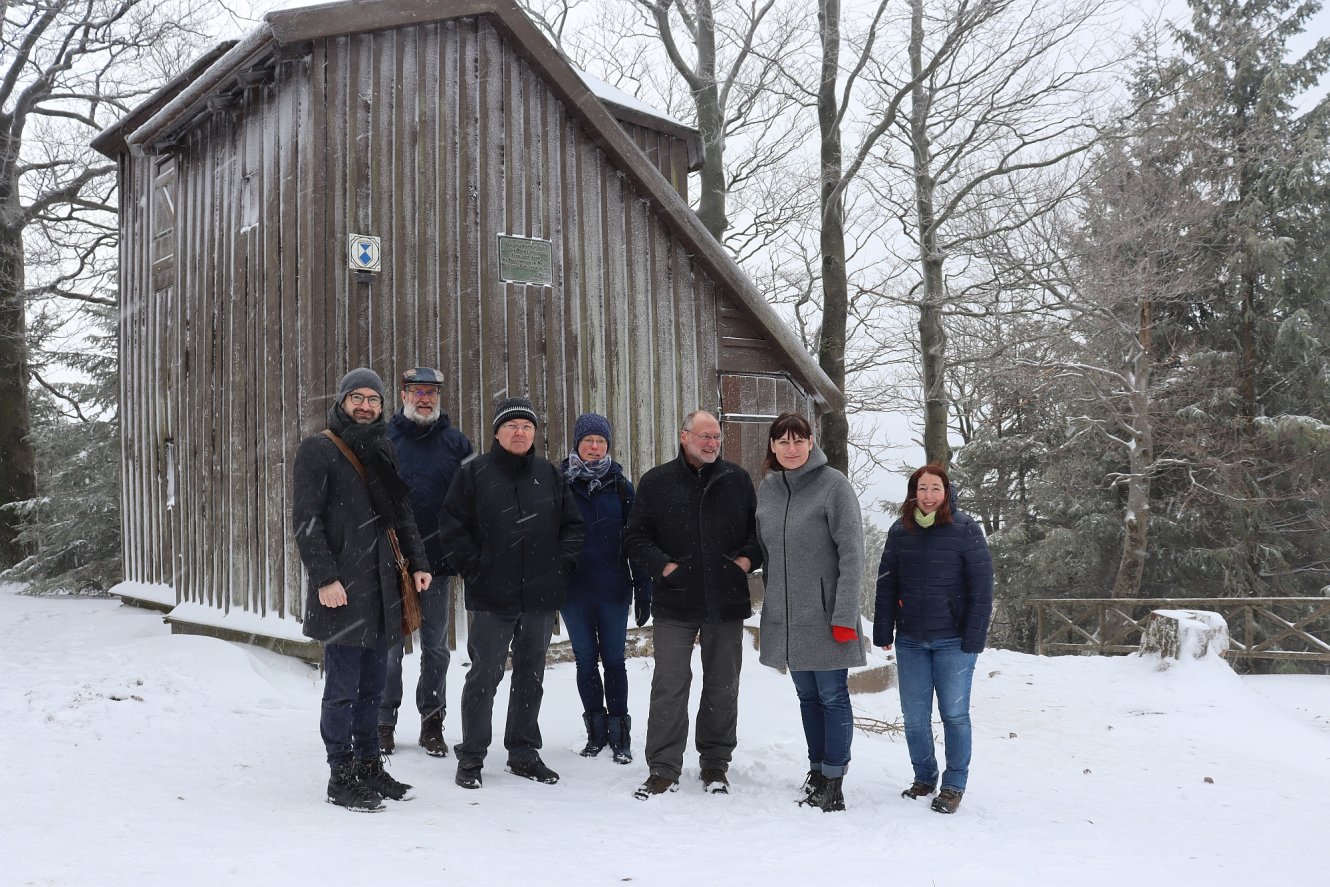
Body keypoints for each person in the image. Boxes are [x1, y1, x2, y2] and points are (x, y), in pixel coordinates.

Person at [292, 368, 431, 812]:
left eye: (374, 398)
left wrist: (419, 564)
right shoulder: (319, 449)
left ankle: (370, 765)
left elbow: (401, 512)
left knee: (374, 686)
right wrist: (325, 579)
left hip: (383, 586)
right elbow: (306, 522)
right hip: (344, 590)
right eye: (358, 397)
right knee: (342, 689)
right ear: (343, 401)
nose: (366, 406)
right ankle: (341, 774)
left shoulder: (383, 447)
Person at [438, 395, 585, 789]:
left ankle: (522, 752)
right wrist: (476, 568)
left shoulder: (549, 475)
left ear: (534, 434)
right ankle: (471, 756)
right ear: (497, 432)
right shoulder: (474, 473)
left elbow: (572, 527)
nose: (519, 432)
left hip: (539, 595)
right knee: (484, 675)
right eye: (511, 426)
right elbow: (452, 528)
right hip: (492, 596)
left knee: (531, 675)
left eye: (526, 427)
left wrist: (561, 565)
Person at [623, 409, 763, 799]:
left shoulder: (736, 480)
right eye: (703, 436)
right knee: (669, 684)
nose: (711, 443)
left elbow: (757, 534)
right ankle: (663, 767)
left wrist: (745, 562)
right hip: (676, 600)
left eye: (716, 437)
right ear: (684, 437)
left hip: (726, 599)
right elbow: (634, 538)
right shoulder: (657, 482)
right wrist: (665, 567)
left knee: (722, 685)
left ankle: (715, 764)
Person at [754, 413, 864, 813]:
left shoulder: (834, 486)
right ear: (772, 447)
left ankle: (834, 780)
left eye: (798, 440)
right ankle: (817, 770)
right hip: (788, 618)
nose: (791, 448)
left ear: (812, 441)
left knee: (832, 696)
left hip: (827, 615)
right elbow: (765, 552)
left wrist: (844, 616)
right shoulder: (768, 489)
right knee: (807, 697)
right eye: (782, 441)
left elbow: (853, 556)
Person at [874, 462, 994, 815]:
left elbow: (982, 588)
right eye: (922, 489)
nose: (928, 496)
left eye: (935, 489)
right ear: (914, 492)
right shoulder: (900, 531)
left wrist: (974, 637)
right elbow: (887, 584)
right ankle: (924, 777)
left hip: (953, 640)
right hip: (910, 639)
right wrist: (884, 629)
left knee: (955, 715)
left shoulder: (965, 529)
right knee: (913, 715)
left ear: (946, 493)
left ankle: (954, 785)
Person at [378, 367, 474, 758]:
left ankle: (432, 721)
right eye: (417, 390)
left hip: (436, 564)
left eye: (431, 392)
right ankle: (383, 720)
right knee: (389, 647)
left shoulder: (456, 443)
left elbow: (470, 501)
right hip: (391, 561)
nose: (425, 398)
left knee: (435, 646)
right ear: (403, 394)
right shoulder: (384, 438)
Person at [559, 413, 651, 764]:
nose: (594, 447)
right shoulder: (561, 485)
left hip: (613, 590)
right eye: (588, 441)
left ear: (608, 446)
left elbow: (637, 541)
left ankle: (620, 735)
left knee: (614, 661)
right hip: (574, 591)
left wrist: (643, 586)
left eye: (600, 441)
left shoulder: (622, 487)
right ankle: (595, 733)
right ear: (577, 445)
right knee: (585, 661)